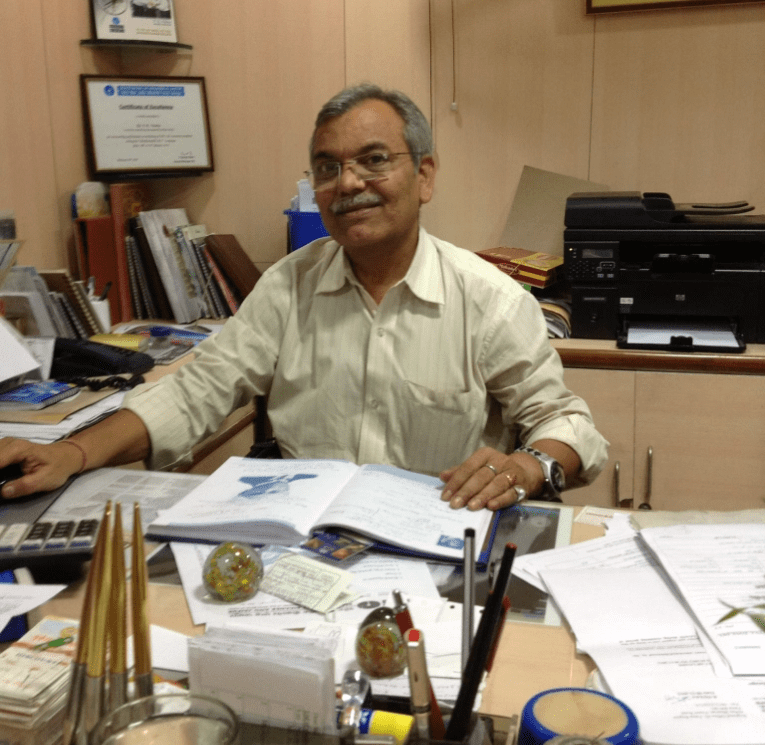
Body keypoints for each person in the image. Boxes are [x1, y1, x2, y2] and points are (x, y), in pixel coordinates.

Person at [0, 83, 607, 513]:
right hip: (305, 538)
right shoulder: (288, 286)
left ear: (424, 176)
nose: (348, 183)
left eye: (374, 160)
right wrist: (73, 452)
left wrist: (526, 467)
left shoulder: (489, 298)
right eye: (326, 168)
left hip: (440, 535)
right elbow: (194, 392)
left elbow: (567, 424)